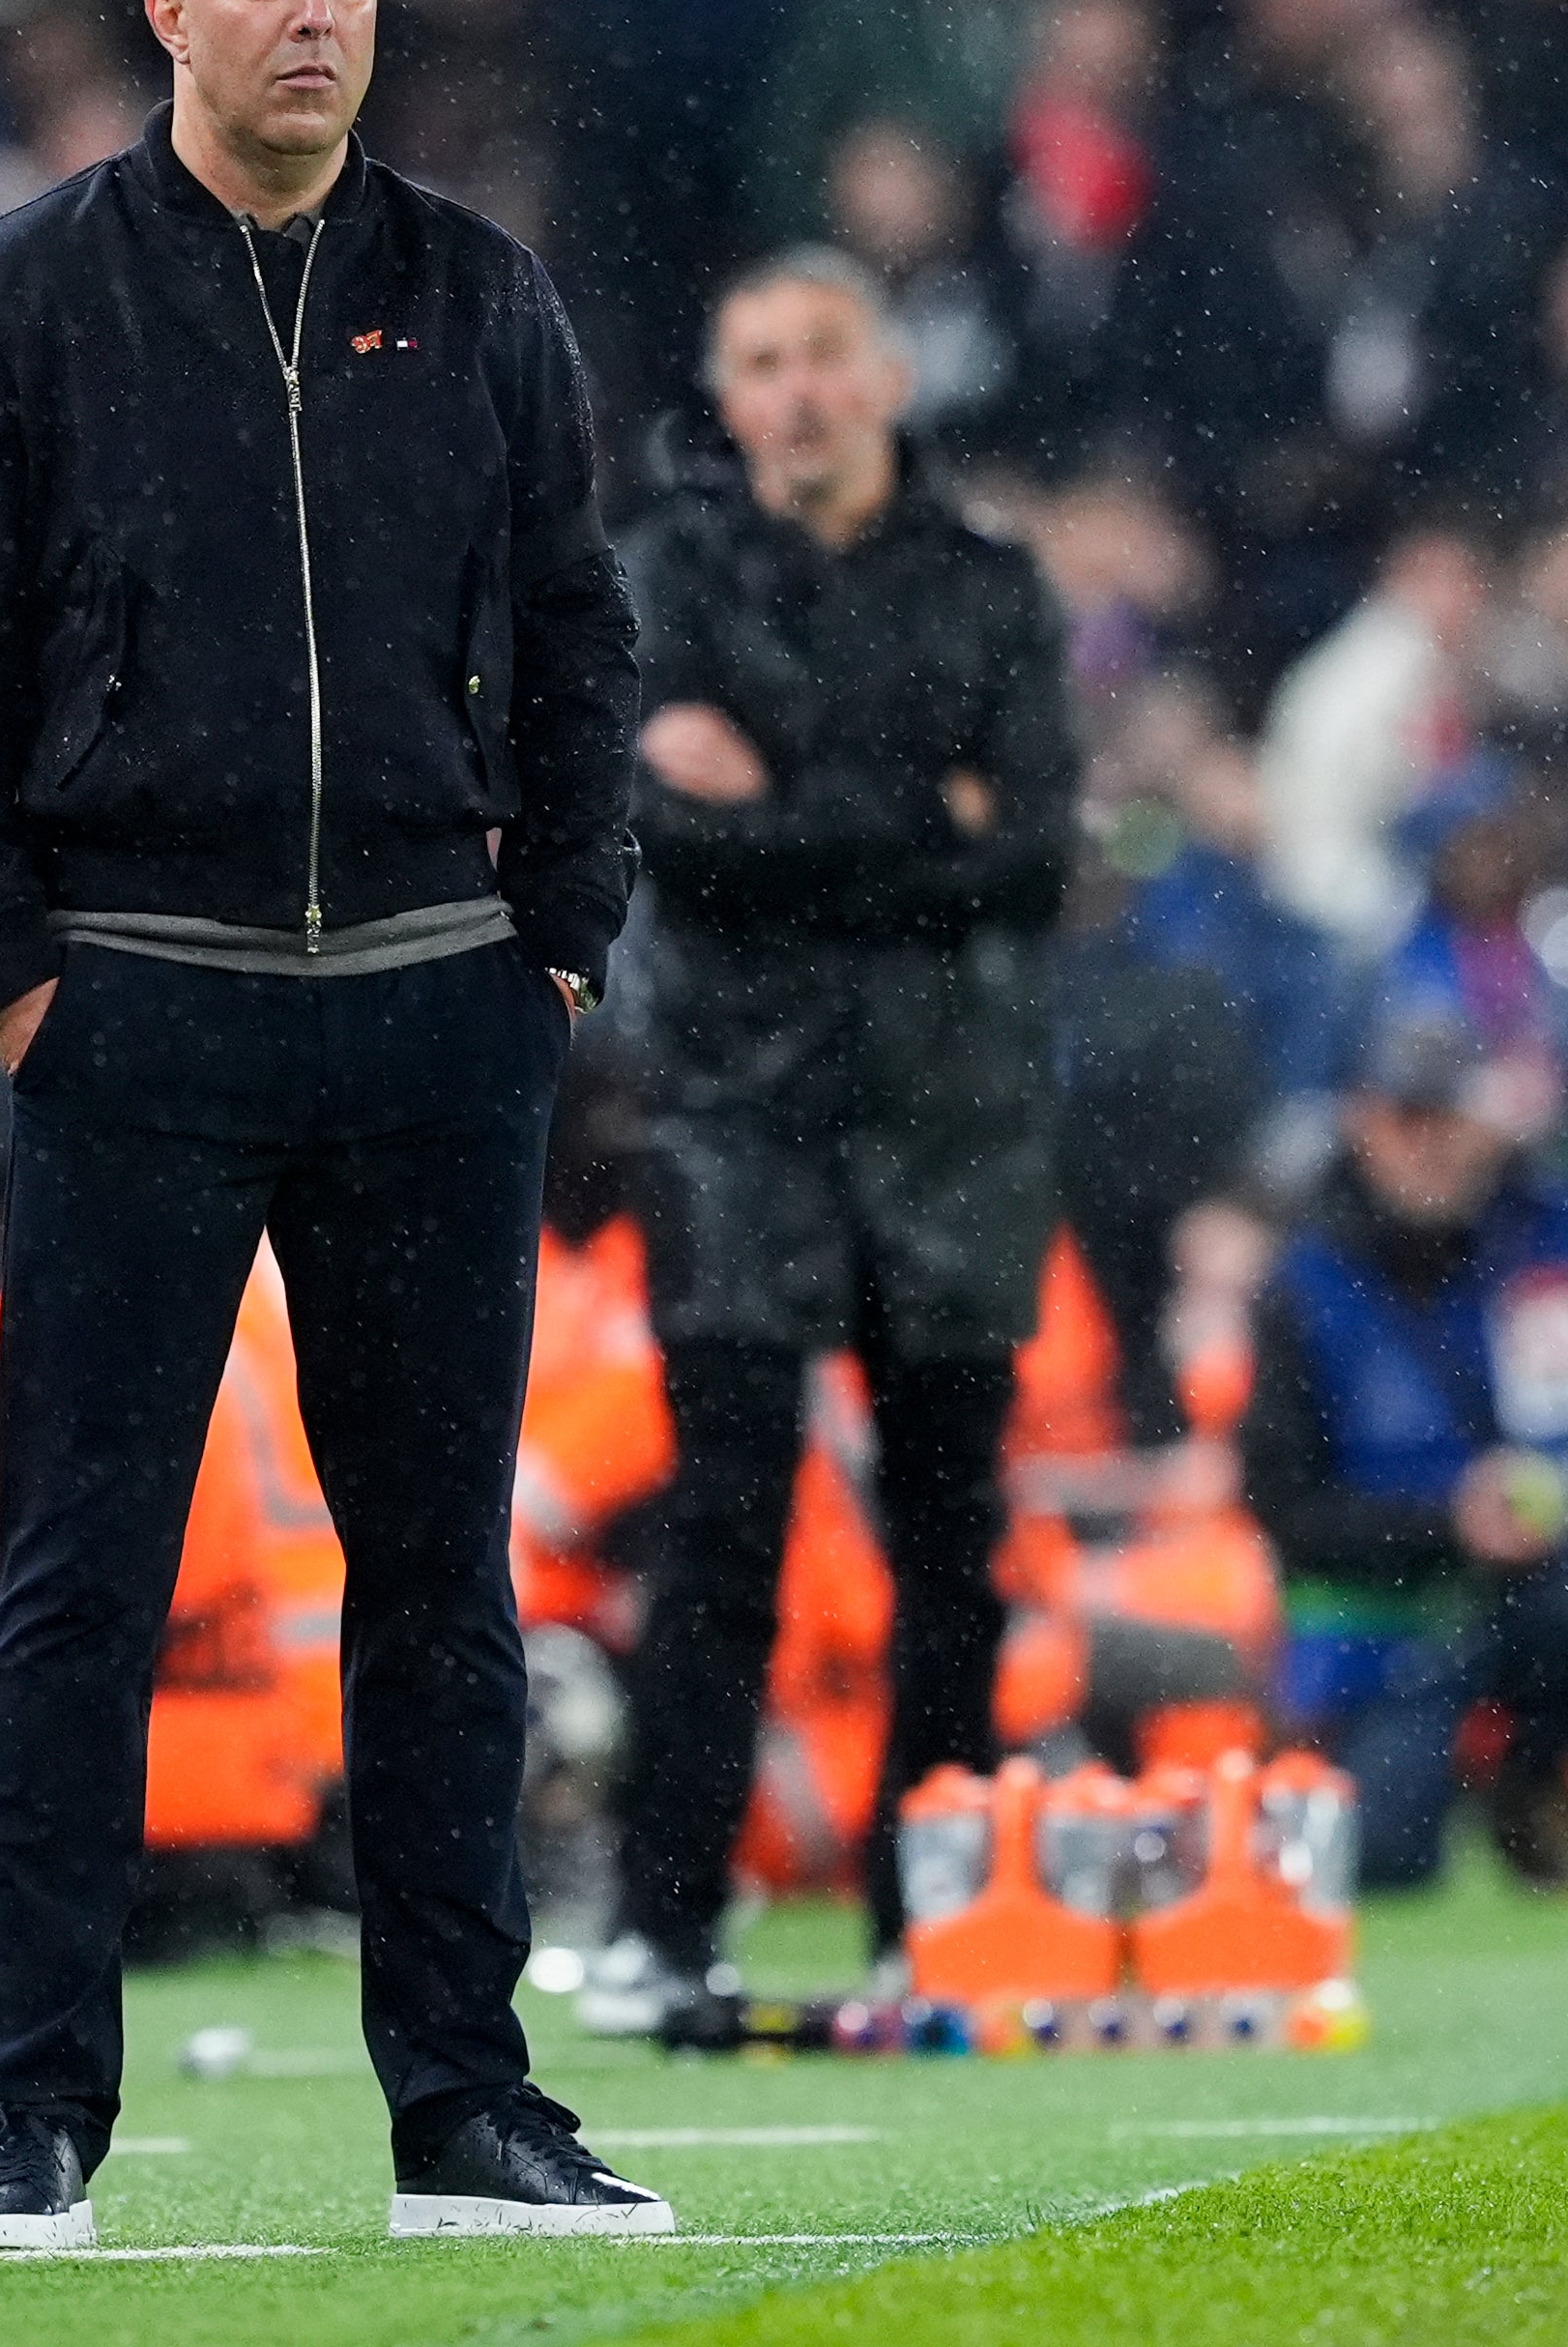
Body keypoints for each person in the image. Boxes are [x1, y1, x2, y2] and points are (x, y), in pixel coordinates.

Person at [0, 0, 652, 2249]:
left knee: (437, 1591)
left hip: (436, 1012)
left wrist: (560, 946)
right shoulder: (17, 300)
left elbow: (584, 646)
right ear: (166, 17)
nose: (317, 14)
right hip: (141, 1010)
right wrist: (17, 976)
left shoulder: (481, 296)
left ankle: (465, 2109)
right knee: (72, 1582)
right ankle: (31, 2116)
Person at [586, 246, 1078, 2031]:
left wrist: (785, 800)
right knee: (721, 1529)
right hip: (735, 1114)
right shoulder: (658, 579)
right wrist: (906, 814)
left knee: (953, 1544)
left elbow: (1030, 851)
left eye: (820, 355)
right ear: (728, 399)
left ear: (883, 378)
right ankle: (664, 1925)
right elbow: (660, 834)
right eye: (760, 362)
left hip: (948, 1127)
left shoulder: (991, 585)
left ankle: (930, 1922)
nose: (792, 391)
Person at [1239, 1006, 1568, 1891]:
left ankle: (1531, 1773)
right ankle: (1424, 1783)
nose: (1427, 1145)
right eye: (1406, 1118)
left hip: (1540, 1591)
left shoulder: (1566, 1242)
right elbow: (1283, 1510)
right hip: (1384, 1616)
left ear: (1489, 1119)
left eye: (1446, 1117)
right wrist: (1450, 1526)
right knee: (1382, 1860)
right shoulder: (1303, 1281)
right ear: (1362, 1122)